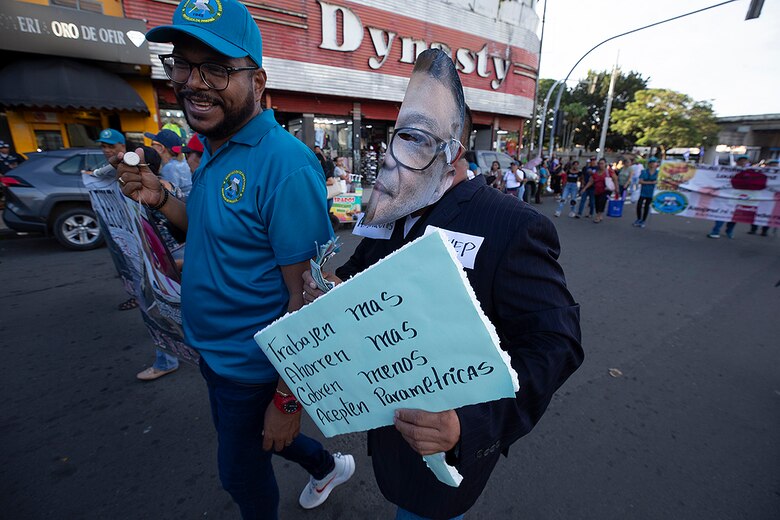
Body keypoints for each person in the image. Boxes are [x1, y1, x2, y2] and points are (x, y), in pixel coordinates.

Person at [304, 49, 582, 520]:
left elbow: (556, 344)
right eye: (399, 138)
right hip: (390, 429)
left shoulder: (511, 226)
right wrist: (331, 289)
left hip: (446, 453)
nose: (396, 157)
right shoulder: (397, 215)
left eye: (415, 141)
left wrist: (467, 425)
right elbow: (360, 275)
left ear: (451, 150)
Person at [117, 1, 354, 517]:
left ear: (258, 79)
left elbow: (311, 300)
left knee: (241, 477)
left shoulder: (286, 166)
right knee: (259, 440)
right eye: (182, 64)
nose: (193, 82)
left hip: (253, 369)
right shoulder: (214, 145)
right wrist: (160, 199)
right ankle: (328, 467)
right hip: (212, 352)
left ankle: (319, 465)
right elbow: (209, 232)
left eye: (218, 69)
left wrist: (287, 400)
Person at [145, 129, 192, 197]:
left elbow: (168, 196)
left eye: (152, 144)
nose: (151, 147)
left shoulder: (169, 168)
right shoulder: (183, 163)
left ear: (161, 148)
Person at [579, 158, 619, 223]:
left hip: (606, 189)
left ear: (605, 164)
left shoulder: (609, 171)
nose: (601, 165)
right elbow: (591, 181)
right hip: (597, 190)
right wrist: (584, 188)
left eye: (602, 163)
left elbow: (615, 179)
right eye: (599, 163)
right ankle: (599, 214)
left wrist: (616, 188)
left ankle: (598, 215)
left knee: (602, 201)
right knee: (597, 203)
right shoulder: (596, 172)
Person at [633, 156, 659, 228]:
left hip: (651, 192)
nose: (652, 164)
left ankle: (643, 220)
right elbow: (640, 181)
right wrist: (651, 182)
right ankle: (638, 218)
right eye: (651, 163)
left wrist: (649, 182)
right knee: (639, 205)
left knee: (647, 206)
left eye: (654, 163)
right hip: (643, 191)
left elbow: (658, 182)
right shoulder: (644, 171)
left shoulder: (658, 173)